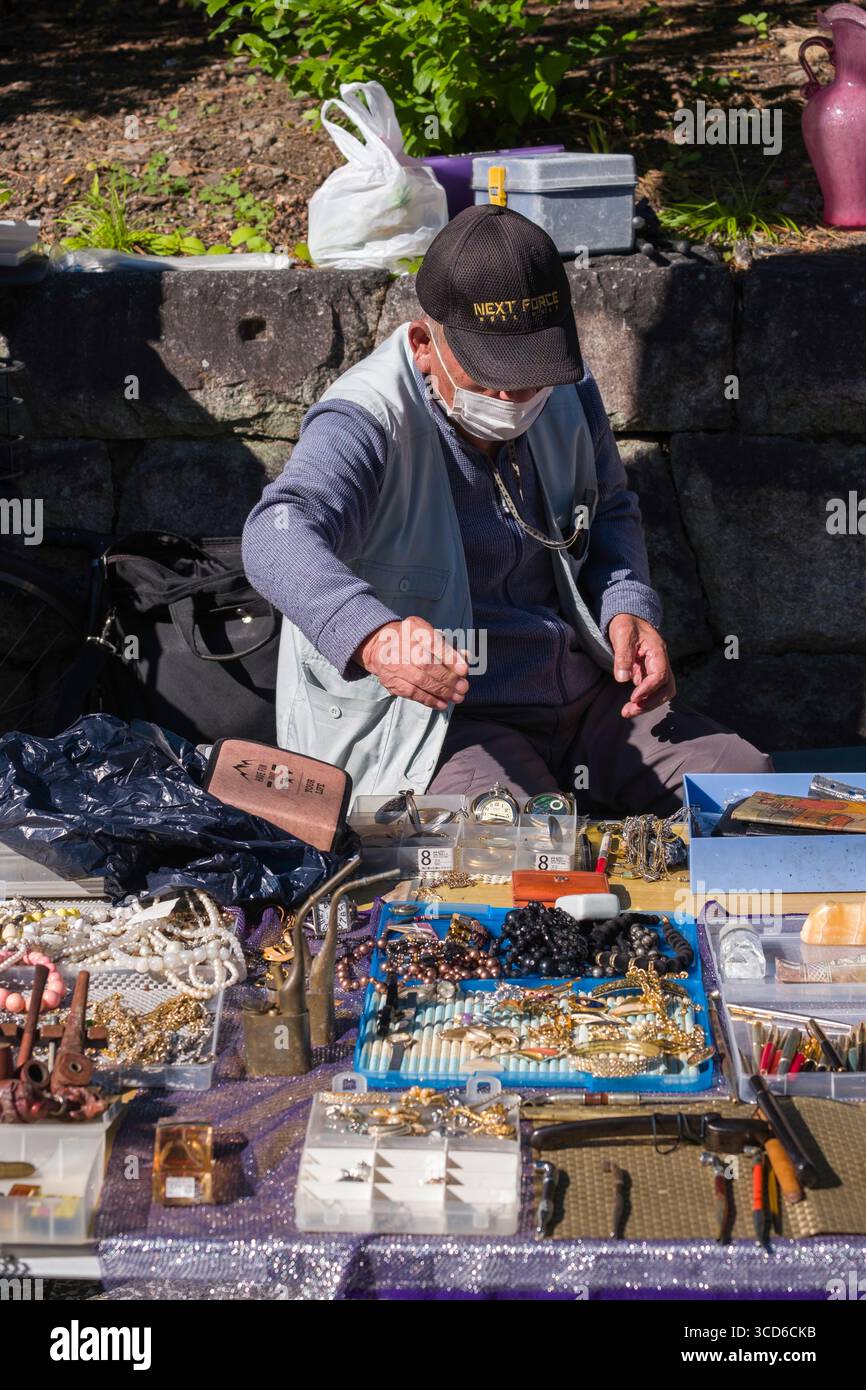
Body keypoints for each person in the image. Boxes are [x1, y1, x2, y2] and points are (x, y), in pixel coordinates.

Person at [243, 204, 771, 813]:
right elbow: (274, 535)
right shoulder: (366, 419)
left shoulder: (569, 392)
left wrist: (628, 607)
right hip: (439, 725)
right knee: (527, 848)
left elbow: (609, 512)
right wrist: (376, 636)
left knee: (747, 790)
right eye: (490, 377)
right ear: (422, 344)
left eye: (530, 377)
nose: (512, 398)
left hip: (584, 702)